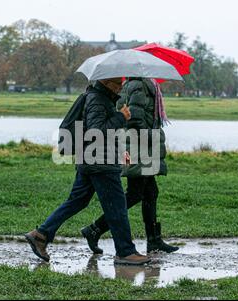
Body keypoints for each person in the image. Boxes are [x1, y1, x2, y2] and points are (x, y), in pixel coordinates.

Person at [25, 78, 151, 266]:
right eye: (117, 83)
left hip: (93, 160)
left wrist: (119, 150)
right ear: (106, 82)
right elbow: (97, 131)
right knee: (116, 208)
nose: (120, 87)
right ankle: (125, 252)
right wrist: (120, 117)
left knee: (77, 201)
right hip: (101, 163)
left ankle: (41, 234)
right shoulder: (98, 99)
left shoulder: (100, 98)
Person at [81, 78, 179, 254]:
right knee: (135, 194)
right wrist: (155, 135)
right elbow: (134, 120)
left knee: (150, 192)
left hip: (144, 147)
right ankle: (95, 229)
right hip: (138, 146)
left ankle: (154, 240)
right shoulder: (138, 86)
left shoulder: (147, 86)